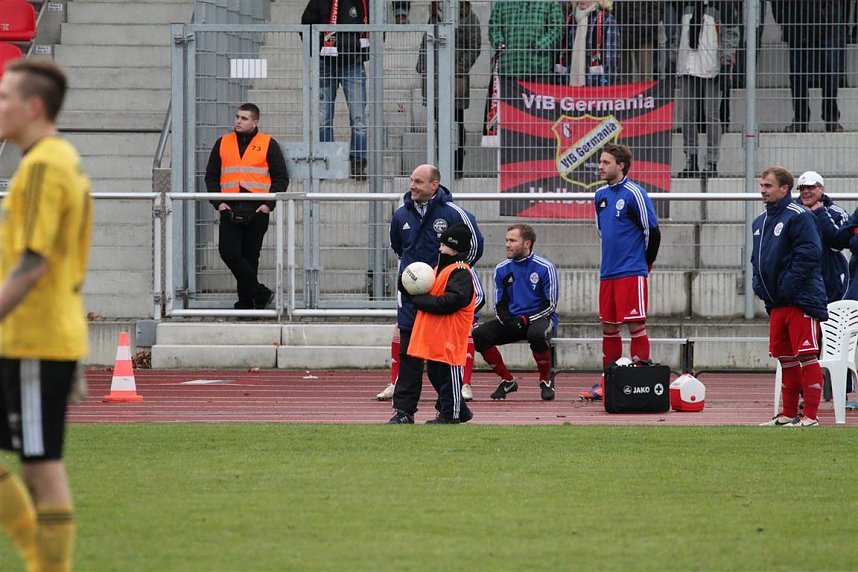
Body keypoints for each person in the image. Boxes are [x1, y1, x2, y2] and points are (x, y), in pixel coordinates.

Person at [0, 58, 91, 572]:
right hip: (21, 336)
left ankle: (47, 567)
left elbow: (33, 263)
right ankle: (41, 559)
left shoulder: (42, 166)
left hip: (36, 338)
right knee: (36, 461)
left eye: (5, 97)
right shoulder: (49, 160)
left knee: (42, 465)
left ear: (33, 107)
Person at [385, 164, 484, 423]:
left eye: (418, 181)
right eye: (411, 180)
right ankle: (404, 412)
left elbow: (474, 248)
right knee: (409, 355)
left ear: (434, 185)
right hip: (412, 298)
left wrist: (446, 278)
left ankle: (450, 408)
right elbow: (399, 249)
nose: (412, 186)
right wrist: (416, 281)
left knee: (440, 360)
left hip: (440, 298)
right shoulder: (400, 215)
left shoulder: (454, 213)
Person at [580, 143, 660, 400]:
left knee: (635, 324)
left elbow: (652, 232)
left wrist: (644, 265)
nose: (600, 167)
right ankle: (609, 380)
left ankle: (640, 380)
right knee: (609, 326)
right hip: (609, 272)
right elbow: (603, 232)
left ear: (621, 165)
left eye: (605, 163)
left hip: (631, 270)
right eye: (600, 162)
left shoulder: (634, 193)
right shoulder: (600, 195)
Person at [754, 167, 829, 427]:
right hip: (777, 303)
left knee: (807, 355)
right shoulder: (760, 222)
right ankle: (787, 414)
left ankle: (810, 416)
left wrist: (787, 288)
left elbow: (808, 256)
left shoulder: (800, 217)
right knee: (785, 357)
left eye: (768, 186)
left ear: (784, 189)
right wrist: (759, 287)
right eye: (762, 185)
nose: (763, 190)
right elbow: (757, 260)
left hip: (801, 300)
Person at [205, 103, 289, 310]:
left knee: (251, 257)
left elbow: (280, 178)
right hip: (230, 206)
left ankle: (246, 304)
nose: (238, 121)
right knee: (229, 252)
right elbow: (211, 176)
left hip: (256, 208)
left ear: (255, 122)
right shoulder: (223, 142)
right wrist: (218, 203)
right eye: (237, 117)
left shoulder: (268, 143)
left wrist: (268, 205)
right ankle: (260, 293)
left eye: (243, 118)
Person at [400, 224, 477, 423]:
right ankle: (458, 409)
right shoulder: (440, 269)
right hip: (438, 336)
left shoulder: (460, 271)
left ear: (456, 248)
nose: (440, 249)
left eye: (444, 245)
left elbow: (452, 302)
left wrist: (418, 301)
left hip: (450, 336)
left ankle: (451, 414)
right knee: (436, 373)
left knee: (449, 375)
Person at [473, 224, 559, 401]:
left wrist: (525, 319)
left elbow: (550, 305)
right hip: (515, 320)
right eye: (506, 240)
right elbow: (500, 303)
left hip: (540, 318)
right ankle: (508, 380)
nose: (507, 244)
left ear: (527, 243)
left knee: (537, 334)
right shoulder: (501, 269)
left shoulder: (545, 267)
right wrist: (507, 319)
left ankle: (545, 381)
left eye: (512, 240)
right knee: (479, 335)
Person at [302, 0, 370, 179]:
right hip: (326, 63)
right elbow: (306, 25)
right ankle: (327, 163)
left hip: (353, 64)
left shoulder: (365, 1)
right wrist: (318, 51)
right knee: (323, 118)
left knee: (358, 118)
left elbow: (377, 29)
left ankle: (358, 163)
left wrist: (363, 53)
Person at [672, 0, 738, 178]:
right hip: (687, 65)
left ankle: (712, 161)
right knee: (688, 115)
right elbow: (677, 34)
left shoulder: (722, 6)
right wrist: (674, 58)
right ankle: (691, 159)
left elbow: (730, 34)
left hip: (712, 66)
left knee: (712, 115)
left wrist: (725, 63)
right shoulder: (685, 6)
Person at [416, 0, 482, 178]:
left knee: (456, 121)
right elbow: (426, 43)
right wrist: (423, 67)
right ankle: (441, 168)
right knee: (438, 123)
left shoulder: (469, 18)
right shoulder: (436, 18)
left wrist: (458, 68)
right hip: (436, 79)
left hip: (456, 80)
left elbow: (474, 47)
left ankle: (457, 165)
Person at [771, 0, 848, 133]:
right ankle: (801, 120)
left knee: (831, 73)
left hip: (827, 24)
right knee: (798, 75)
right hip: (796, 22)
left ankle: (831, 119)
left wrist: (830, 15)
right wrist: (783, 18)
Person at [794, 170, 849, 303]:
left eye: (811, 187)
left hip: (831, 278)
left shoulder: (837, 213)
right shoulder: (793, 214)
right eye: (802, 188)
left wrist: (819, 213)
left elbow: (837, 243)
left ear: (822, 189)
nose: (806, 192)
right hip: (802, 278)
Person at [488, 0, 564, 81]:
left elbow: (557, 28)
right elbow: (494, 27)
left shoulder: (550, 2)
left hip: (539, 69)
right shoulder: (502, 3)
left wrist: (540, 45)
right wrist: (499, 44)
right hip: (508, 68)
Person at [557, 0, 620, 87]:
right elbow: (565, 54)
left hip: (596, 83)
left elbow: (611, 57)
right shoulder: (571, 19)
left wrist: (606, 84)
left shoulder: (606, 19)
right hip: (569, 84)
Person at [612, 0, 662, 82]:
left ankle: (646, 93)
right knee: (623, 77)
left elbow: (657, 6)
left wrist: (648, 24)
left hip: (643, 33)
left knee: (646, 76)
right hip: (622, 30)